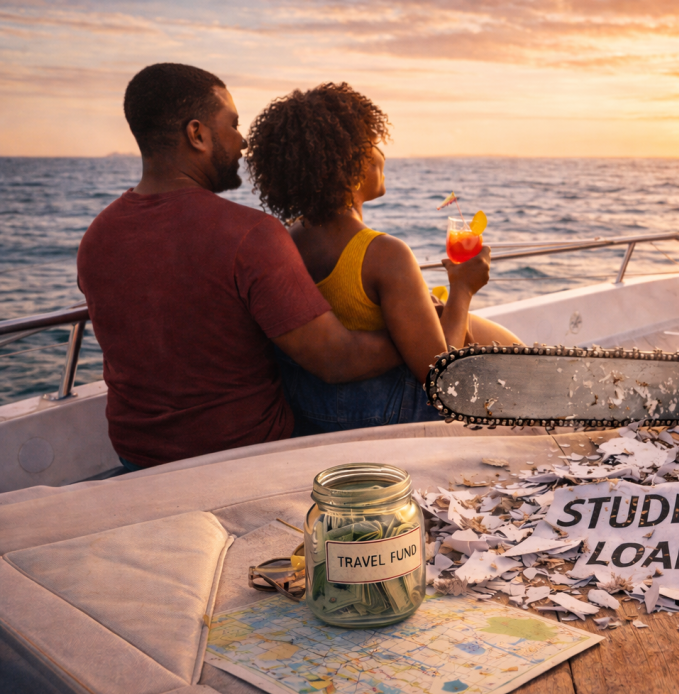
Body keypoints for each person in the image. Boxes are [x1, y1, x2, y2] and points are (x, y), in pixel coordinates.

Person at [77, 64, 405, 469]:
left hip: (137, 456)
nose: (244, 141)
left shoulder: (96, 237)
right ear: (196, 134)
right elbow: (337, 361)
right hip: (246, 455)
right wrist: (420, 332)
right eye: (232, 125)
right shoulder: (249, 234)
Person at [245, 83, 521, 434]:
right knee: (504, 362)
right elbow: (440, 380)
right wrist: (463, 289)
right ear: (350, 163)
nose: (382, 153)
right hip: (384, 413)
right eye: (372, 143)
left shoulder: (289, 237)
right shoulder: (383, 254)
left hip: (321, 411)